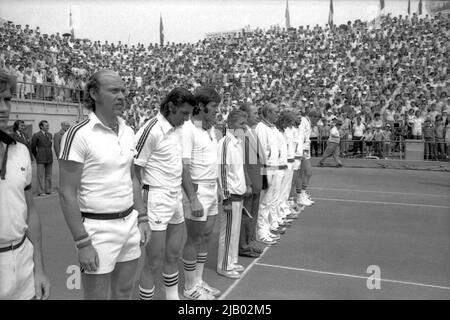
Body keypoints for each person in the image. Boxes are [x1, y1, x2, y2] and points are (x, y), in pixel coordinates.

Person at [58, 70, 150, 300]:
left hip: (129, 223)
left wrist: (142, 217)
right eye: (114, 90)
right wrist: (82, 242)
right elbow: (67, 192)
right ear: (93, 93)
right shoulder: (78, 134)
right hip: (97, 229)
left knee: (125, 292)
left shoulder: (128, 131)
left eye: (123, 90)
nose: (121, 96)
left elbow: (132, 178)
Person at [135, 88, 195, 300]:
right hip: (156, 199)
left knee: (173, 254)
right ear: (170, 107)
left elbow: (179, 165)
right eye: (183, 113)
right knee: (154, 260)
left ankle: (172, 298)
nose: (187, 119)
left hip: (175, 197)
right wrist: (140, 210)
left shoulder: (177, 128)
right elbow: (134, 169)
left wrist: (191, 197)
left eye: (189, 114)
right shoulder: (151, 129)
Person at [0, 70, 50, 300]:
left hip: (23, 263)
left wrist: (39, 269)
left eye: (7, 99)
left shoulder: (20, 150)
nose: (3, 108)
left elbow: (31, 212)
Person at [181, 87, 222, 300]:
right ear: (201, 106)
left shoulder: (209, 129)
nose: (217, 110)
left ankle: (198, 280)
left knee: (206, 237)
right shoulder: (188, 129)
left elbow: (212, 163)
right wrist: (193, 198)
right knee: (194, 239)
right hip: (196, 190)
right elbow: (184, 167)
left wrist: (219, 187)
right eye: (214, 106)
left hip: (211, 188)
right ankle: (189, 287)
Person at [217, 109, 250, 279]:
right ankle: (224, 266)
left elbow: (237, 170)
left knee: (234, 232)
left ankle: (231, 260)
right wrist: (226, 198)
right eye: (240, 124)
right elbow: (222, 171)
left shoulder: (237, 143)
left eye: (245, 123)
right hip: (230, 196)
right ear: (230, 125)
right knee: (227, 232)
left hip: (239, 194)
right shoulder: (226, 144)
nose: (244, 127)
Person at [238, 104, 267, 259]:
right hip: (248, 179)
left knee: (253, 213)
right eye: (255, 113)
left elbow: (257, 158)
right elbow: (241, 160)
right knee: (246, 214)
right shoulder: (239, 131)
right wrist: (247, 181)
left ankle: (249, 241)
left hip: (256, 178)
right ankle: (243, 245)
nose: (258, 115)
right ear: (246, 115)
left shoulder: (253, 131)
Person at [254, 103, 281, 246]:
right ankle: (261, 232)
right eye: (275, 111)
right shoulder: (261, 128)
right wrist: (263, 175)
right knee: (263, 202)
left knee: (269, 201)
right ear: (268, 113)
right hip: (267, 169)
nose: (277, 114)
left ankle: (266, 228)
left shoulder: (271, 128)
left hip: (274, 167)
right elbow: (261, 153)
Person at [31, 120, 53, 195]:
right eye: (46, 126)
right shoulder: (36, 135)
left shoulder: (50, 135)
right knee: (40, 176)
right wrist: (37, 156)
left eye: (48, 125)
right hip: (40, 158)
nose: (48, 127)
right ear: (41, 126)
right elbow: (33, 147)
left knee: (49, 175)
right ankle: (40, 191)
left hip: (49, 157)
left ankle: (48, 190)